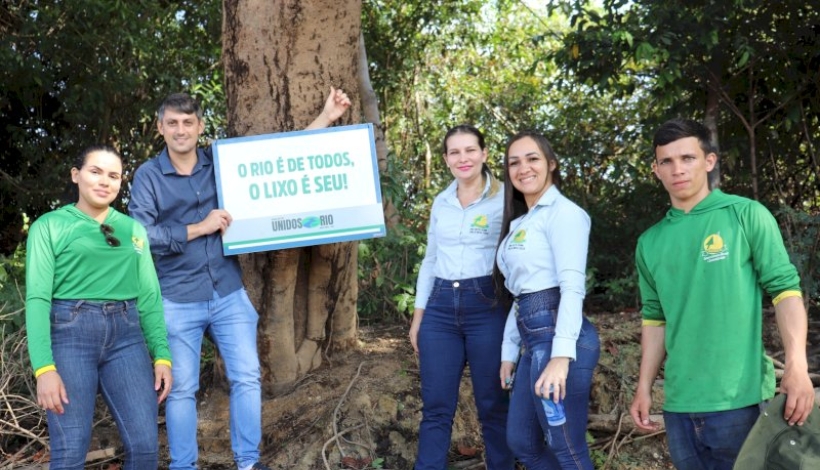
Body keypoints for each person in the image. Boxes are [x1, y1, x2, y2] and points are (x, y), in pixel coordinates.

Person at [128, 87, 350, 470]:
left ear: (199, 127)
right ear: (160, 127)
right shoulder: (148, 176)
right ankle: (184, 466)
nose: (181, 130)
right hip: (177, 298)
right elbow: (140, 236)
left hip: (228, 292)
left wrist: (326, 118)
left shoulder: (222, 163)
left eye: (188, 123)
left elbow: (281, 160)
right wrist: (199, 227)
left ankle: (248, 463)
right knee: (181, 390)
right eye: (172, 123)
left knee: (247, 378)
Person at [629, 118, 815, 469]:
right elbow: (655, 319)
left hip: (739, 402)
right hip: (679, 405)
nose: (677, 169)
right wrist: (644, 387)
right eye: (666, 161)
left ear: (709, 161)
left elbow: (785, 291)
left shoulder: (746, 215)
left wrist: (797, 366)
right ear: (656, 170)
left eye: (687, 158)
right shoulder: (649, 242)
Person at [25, 145, 172, 470]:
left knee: (146, 448)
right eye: (95, 171)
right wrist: (44, 368)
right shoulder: (49, 226)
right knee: (70, 453)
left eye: (114, 175)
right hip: (69, 336)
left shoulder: (134, 230)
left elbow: (149, 296)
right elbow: (37, 298)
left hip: (127, 338)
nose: (105, 181)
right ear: (76, 175)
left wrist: (162, 355)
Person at [410, 124, 514, 470]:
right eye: (454, 152)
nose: (463, 158)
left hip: (487, 305)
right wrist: (419, 315)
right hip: (440, 309)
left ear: (484, 154)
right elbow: (430, 259)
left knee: (493, 405)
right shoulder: (442, 201)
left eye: (470, 150)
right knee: (436, 407)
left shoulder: (506, 198)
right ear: (446, 160)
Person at [495, 130, 600, 469]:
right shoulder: (521, 223)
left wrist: (561, 357)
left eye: (532, 158)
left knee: (566, 445)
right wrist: (509, 352)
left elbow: (571, 288)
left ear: (551, 165)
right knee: (522, 442)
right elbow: (521, 293)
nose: (523, 168)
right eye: (514, 162)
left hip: (559, 342)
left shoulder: (564, 214)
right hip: (533, 343)